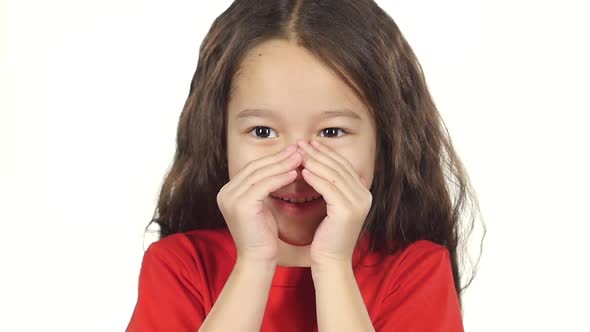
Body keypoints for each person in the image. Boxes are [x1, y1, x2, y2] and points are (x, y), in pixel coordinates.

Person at [126, 0, 485, 331]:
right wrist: (254, 263)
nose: (297, 164)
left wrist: (332, 265)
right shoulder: (181, 266)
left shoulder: (416, 270)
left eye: (332, 131)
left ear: (384, 140)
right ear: (221, 138)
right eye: (263, 131)